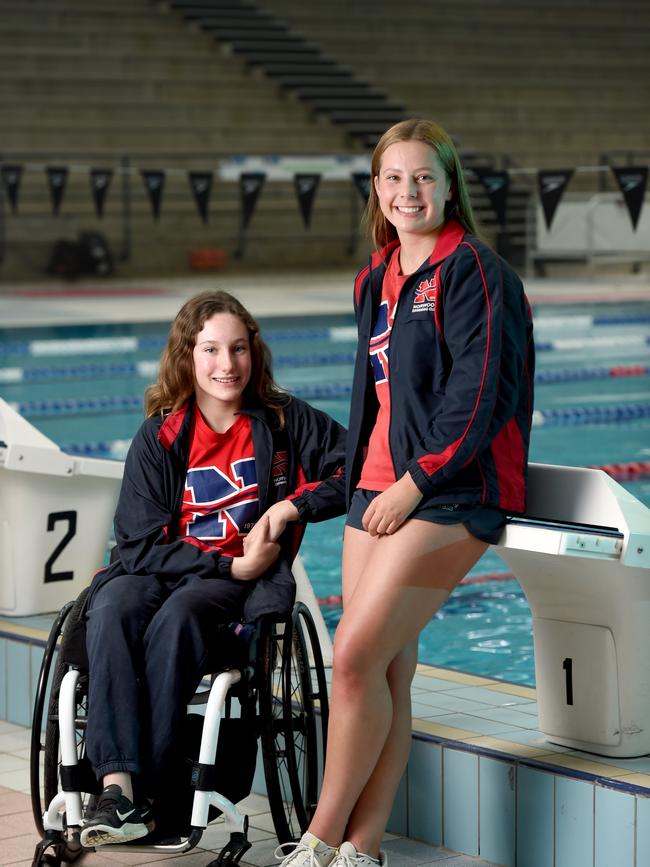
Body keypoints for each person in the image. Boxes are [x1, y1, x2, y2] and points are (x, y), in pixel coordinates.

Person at [277, 119, 535, 867]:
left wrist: (417, 482)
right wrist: (353, 485)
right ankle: (366, 846)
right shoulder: (375, 275)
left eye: (423, 176)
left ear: (449, 185)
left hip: (453, 492)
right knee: (385, 666)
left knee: (353, 658)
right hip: (374, 490)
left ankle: (319, 841)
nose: (407, 191)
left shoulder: (476, 272)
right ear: (377, 190)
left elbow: (479, 394)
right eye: (393, 177)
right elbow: (376, 398)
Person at [79, 290, 347, 847]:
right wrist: (230, 565)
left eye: (239, 348)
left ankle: (154, 794)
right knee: (110, 608)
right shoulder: (159, 436)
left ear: (255, 354)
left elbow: (357, 467)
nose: (227, 365)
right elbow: (138, 543)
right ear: (187, 355)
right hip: (174, 571)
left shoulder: (284, 422)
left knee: (179, 615)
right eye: (211, 350)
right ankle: (117, 789)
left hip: (227, 590)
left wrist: (290, 507)